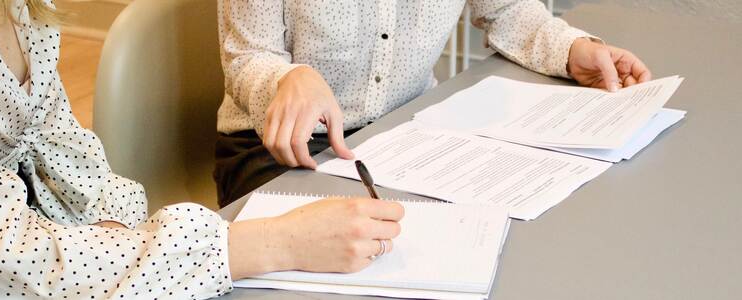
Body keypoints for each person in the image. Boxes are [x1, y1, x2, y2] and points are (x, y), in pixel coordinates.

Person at [0, 0, 404, 298]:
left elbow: (66, 155)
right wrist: (278, 243)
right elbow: (15, 258)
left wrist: (119, 237)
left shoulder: (20, 10)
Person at [214, 0, 653, 207]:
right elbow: (247, 56)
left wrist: (571, 48)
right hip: (277, 146)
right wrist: (288, 78)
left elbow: (505, 9)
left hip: (405, 134)